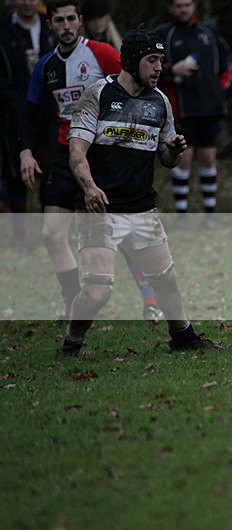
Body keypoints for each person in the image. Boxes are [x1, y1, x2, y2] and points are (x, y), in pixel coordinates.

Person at [57, 28, 222, 358]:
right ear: (132, 61)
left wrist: (173, 150)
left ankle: (183, 336)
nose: (159, 67)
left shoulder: (159, 101)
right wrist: (89, 188)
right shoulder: (98, 94)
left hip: (141, 208)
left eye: (162, 60)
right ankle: (72, 343)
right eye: (152, 60)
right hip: (101, 210)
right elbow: (76, 152)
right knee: (98, 291)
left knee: (165, 279)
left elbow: (166, 159)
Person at [19, 0, 164, 322]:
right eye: (59, 20)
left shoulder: (101, 53)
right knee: (52, 234)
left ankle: (150, 299)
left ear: (80, 20)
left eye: (71, 18)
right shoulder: (46, 66)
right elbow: (29, 111)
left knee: (120, 234)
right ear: (50, 24)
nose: (66, 26)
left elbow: (134, 86)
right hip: (64, 154)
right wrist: (25, 150)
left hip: (102, 155)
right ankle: (73, 305)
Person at [155, 0, 232, 227]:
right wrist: (172, 70)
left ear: (194, 6)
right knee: (184, 158)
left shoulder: (209, 33)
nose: (183, 9)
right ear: (171, 8)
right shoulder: (164, 34)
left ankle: (210, 214)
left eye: (187, 4)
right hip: (181, 108)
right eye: (178, 5)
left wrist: (220, 92)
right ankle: (182, 215)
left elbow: (227, 67)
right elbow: (149, 68)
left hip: (209, 108)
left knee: (208, 157)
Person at [0, 0, 56, 244]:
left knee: (49, 172)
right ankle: (19, 235)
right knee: (15, 174)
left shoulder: (50, 28)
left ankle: (50, 234)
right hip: (13, 112)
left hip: (47, 113)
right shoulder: (4, 30)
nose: (26, 2)